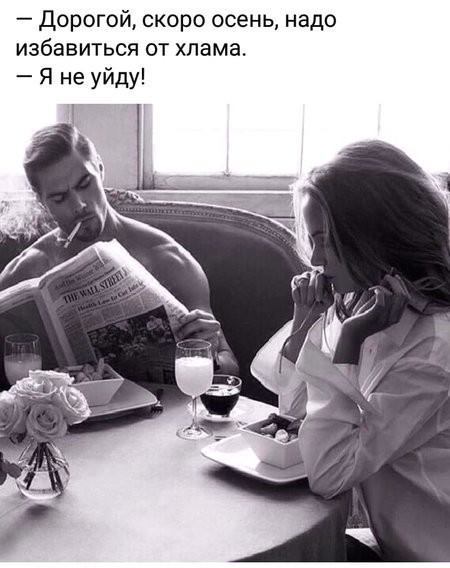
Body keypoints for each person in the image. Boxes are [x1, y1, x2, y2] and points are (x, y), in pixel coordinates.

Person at [251, 139, 450, 561]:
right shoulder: (365, 305)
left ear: (376, 235)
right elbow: (296, 415)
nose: (316, 260)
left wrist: (347, 343)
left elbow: (327, 472)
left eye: (325, 241)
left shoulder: (433, 350)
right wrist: (306, 321)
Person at [0, 123, 239, 378]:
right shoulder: (27, 271)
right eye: (59, 198)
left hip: (161, 403)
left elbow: (230, 371)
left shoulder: (166, 258)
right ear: (41, 201)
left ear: (100, 169)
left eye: (85, 183)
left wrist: (211, 354)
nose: (79, 205)